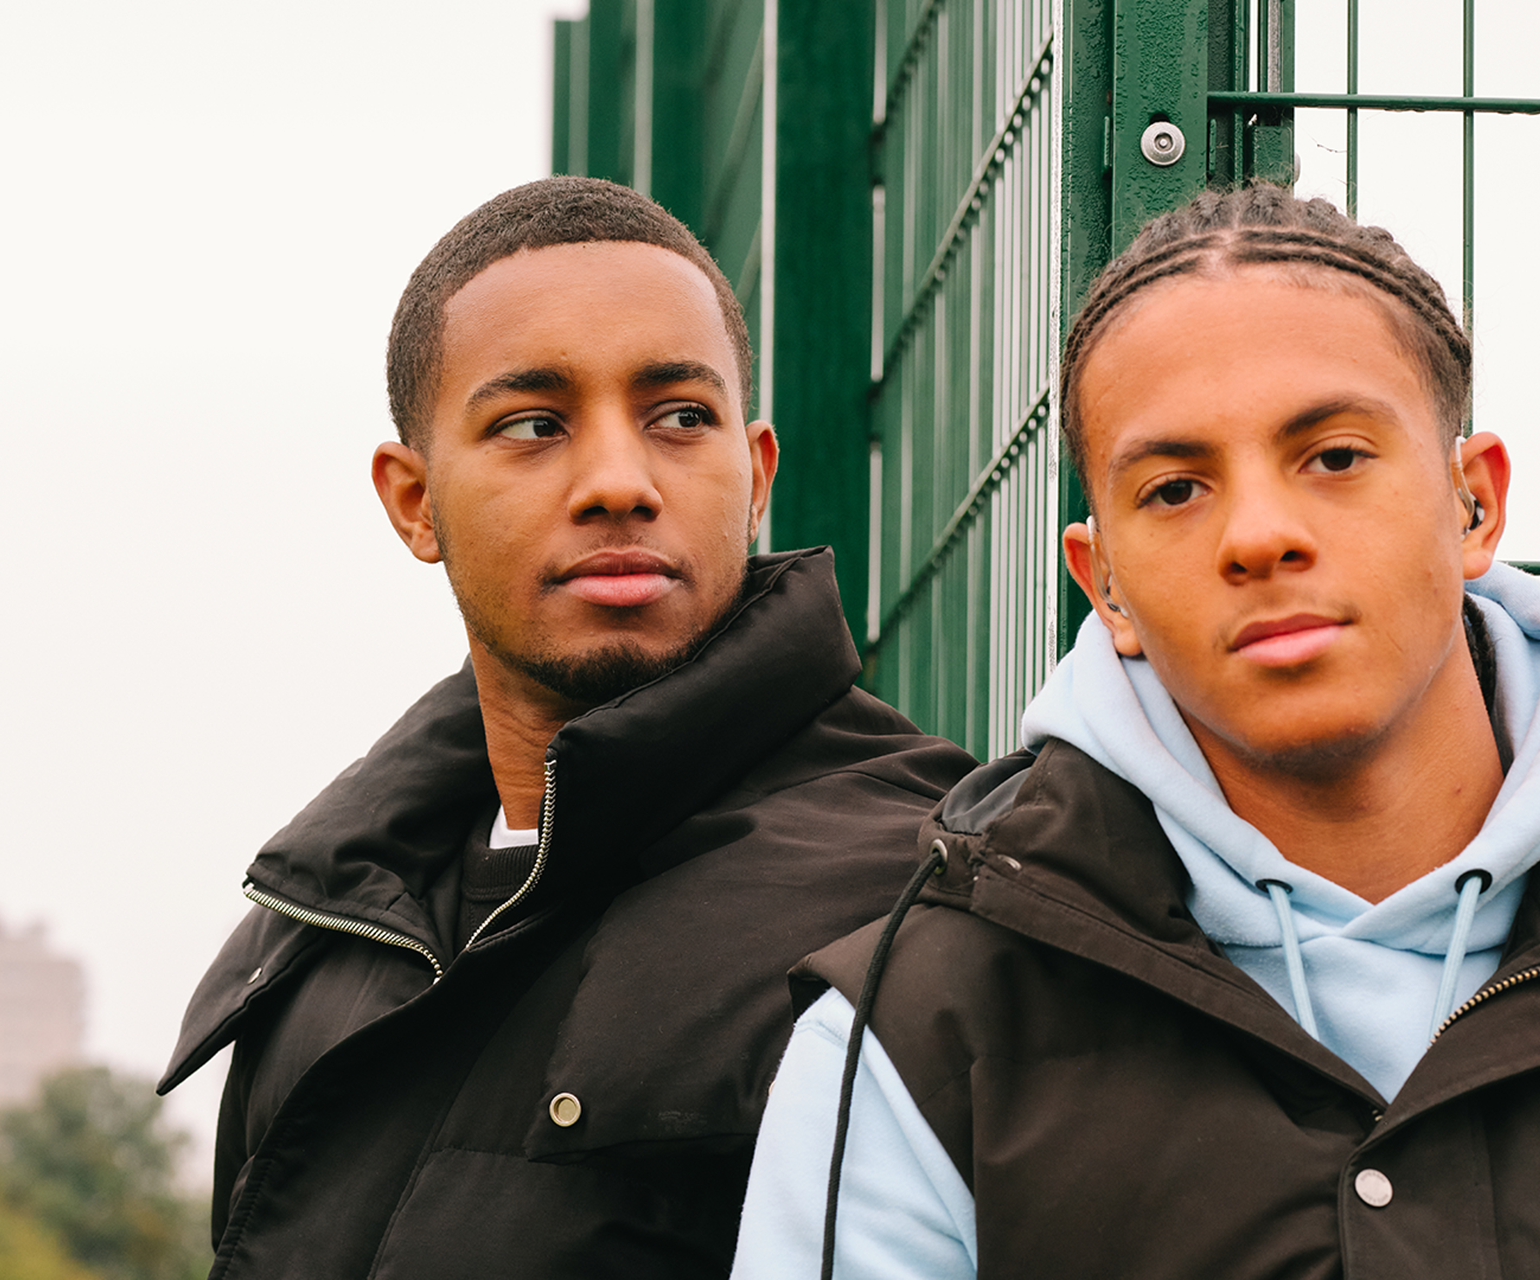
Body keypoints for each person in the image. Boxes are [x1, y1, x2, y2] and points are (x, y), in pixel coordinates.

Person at [729, 183, 1540, 1279]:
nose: (1260, 535)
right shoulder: (910, 1037)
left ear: (1475, 503)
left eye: (1333, 456)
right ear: (1104, 583)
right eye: (1175, 488)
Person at [158, 176, 976, 1279]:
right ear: (413, 501)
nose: (618, 482)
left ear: (756, 474)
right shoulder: (318, 935)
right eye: (534, 424)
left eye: (681, 417)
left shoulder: (922, 892)